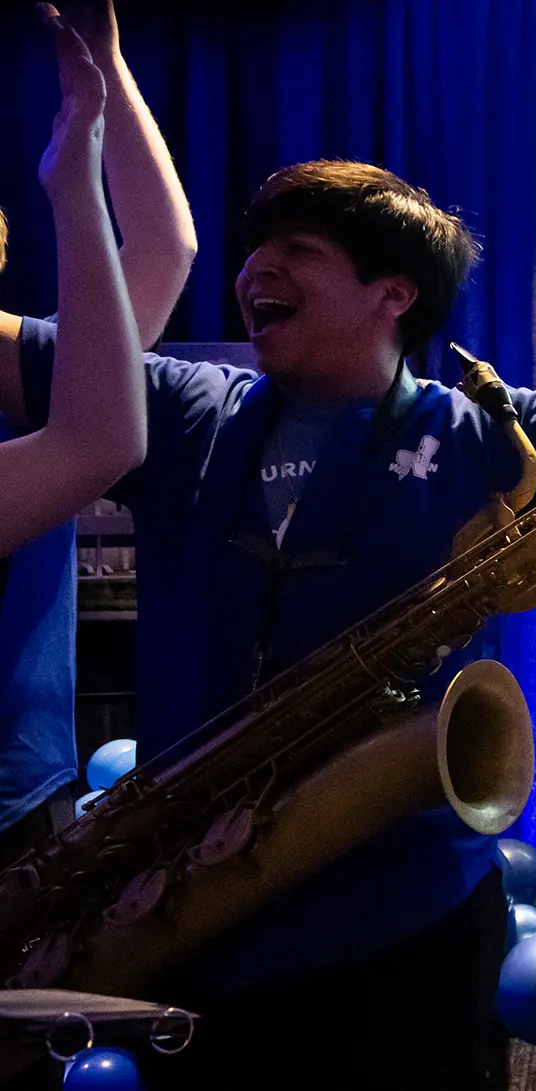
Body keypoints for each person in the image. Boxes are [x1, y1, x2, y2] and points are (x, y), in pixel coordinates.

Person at [0, 25, 536, 1090]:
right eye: (253, 248)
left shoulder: (477, 434)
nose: (251, 270)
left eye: (297, 253)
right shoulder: (186, 405)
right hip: (200, 911)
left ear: (394, 293)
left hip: (407, 920)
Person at [0, 1, 194, 861]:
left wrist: (105, 70)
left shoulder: (21, 369)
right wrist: (72, 180)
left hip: (22, 800)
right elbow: (99, 441)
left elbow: (160, 253)